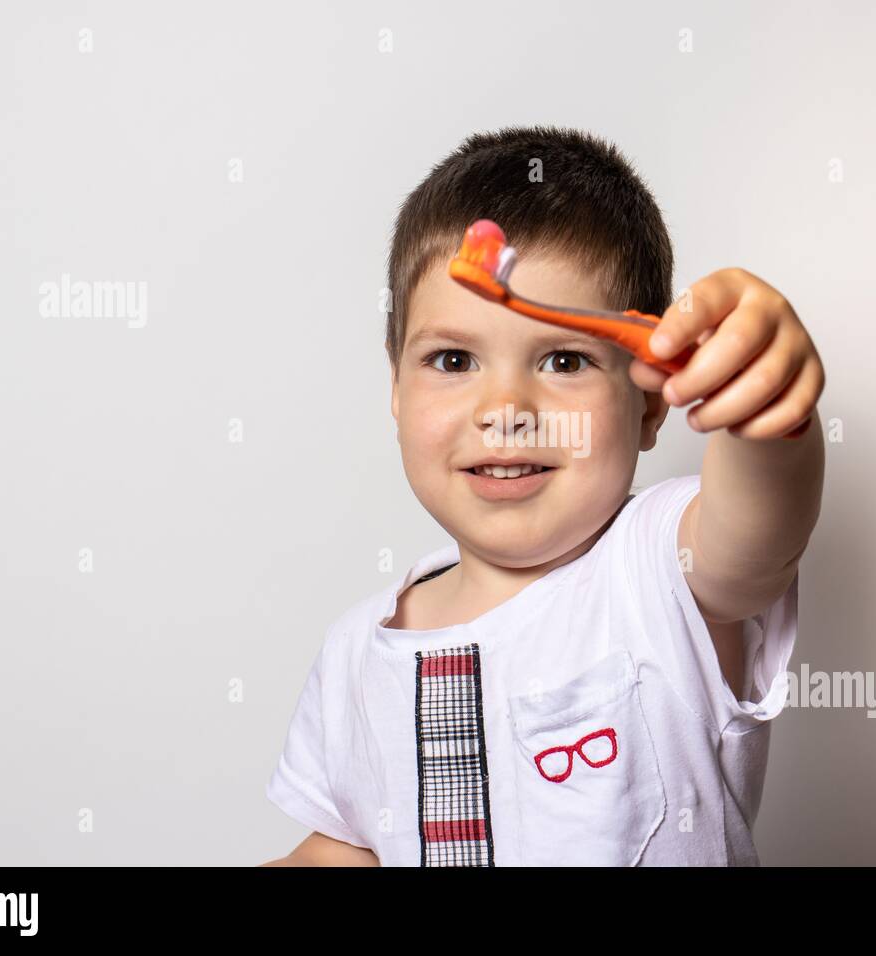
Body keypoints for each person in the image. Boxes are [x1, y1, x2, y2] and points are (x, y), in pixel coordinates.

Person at [261, 125, 825, 866]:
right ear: (396, 389)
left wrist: (767, 408)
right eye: (453, 359)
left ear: (651, 406)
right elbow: (345, 850)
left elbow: (756, 533)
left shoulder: (657, 571)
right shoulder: (354, 655)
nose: (504, 407)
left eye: (564, 360)